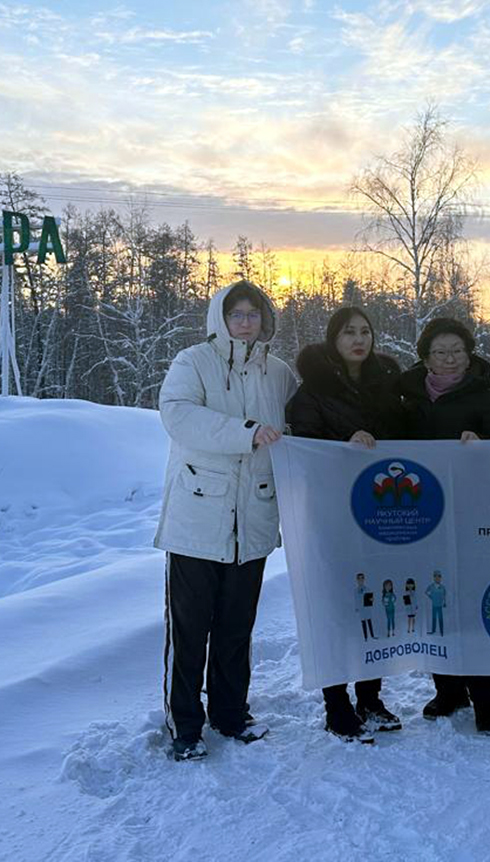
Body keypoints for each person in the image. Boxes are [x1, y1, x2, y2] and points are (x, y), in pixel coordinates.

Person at [155, 281, 297, 762]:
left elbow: (300, 422)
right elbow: (178, 416)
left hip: (253, 518)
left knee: (237, 629)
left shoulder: (278, 372)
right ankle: (185, 725)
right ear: (220, 317)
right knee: (189, 631)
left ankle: (231, 714)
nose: (245, 322)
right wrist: (246, 432)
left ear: (265, 319)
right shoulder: (193, 362)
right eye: (236, 314)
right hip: (198, 518)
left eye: (253, 314)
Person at [388, 316, 490, 733]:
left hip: (476, 519)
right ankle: (448, 690)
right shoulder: (406, 400)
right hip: (424, 518)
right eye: (440, 352)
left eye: (457, 351)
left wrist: (485, 447)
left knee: (478, 607)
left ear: (469, 354)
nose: (449, 359)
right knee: (436, 604)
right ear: (425, 357)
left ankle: (488, 700)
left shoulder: (489, 400)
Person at [286, 305, 404, 741]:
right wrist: (343, 443)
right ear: (333, 339)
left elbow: (408, 434)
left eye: (365, 331)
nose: (359, 339)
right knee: (336, 605)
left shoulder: (388, 384)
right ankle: (336, 705)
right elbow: (305, 449)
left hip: (380, 512)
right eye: (349, 332)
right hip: (331, 512)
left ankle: (370, 698)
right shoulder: (311, 392)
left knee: (375, 602)